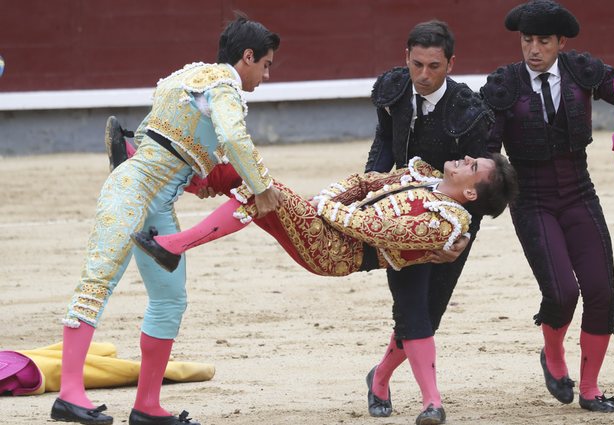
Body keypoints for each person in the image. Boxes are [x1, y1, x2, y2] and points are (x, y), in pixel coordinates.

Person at [52, 15, 282, 425]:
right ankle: (69, 395)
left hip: (153, 198)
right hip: (133, 189)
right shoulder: (224, 86)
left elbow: (160, 142)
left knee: (170, 297)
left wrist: (198, 178)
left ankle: (147, 406)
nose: (266, 74)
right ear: (247, 57)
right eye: (266, 64)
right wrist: (261, 185)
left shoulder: (187, 76)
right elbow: (231, 137)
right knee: (97, 283)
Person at [480, 0, 614, 413]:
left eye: (543, 41)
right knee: (561, 293)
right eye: (527, 40)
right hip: (532, 200)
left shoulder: (579, 71)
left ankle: (590, 388)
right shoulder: (505, 85)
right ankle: (553, 355)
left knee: (601, 291)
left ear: (560, 43)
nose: (533, 49)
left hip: (579, 193)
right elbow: (485, 146)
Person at [363, 20, 495, 424]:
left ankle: (380, 376)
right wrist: (371, 185)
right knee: (411, 309)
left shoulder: (472, 113)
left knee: (429, 312)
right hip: (402, 219)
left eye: (433, 66)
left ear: (451, 63)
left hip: (451, 224)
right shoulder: (395, 90)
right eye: (416, 64)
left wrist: (462, 235)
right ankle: (431, 403)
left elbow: (484, 185)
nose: (423, 75)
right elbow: (385, 140)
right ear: (406, 58)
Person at [130, 154, 518, 282]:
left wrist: (325, 208)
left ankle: (174, 246)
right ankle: (145, 166)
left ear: (470, 192)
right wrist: (329, 197)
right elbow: (365, 183)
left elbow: (373, 227)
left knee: (263, 189)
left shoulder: (443, 226)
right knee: (240, 174)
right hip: (328, 226)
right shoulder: (425, 177)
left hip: (336, 252)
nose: (466, 159)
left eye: (474, 166)